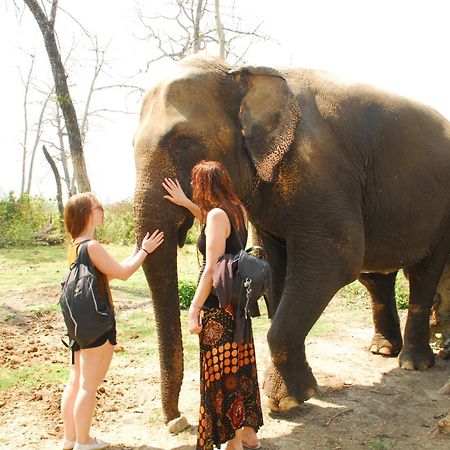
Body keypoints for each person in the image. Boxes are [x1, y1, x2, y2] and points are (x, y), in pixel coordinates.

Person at [163, 161, 263, 450]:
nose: (195, 189)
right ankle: (247, 433)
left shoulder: (218, 215)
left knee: (221, 374)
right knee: (240, 368)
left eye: (196, 184)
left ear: (204, 185)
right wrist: (185, 203)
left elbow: (211, 267)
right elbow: (213, 224)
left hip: (218, 309)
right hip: (237, 306)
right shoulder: (237, 210)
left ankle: (231, 443)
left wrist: (194, 308)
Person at [61, 192, 164, 450]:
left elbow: (111, 272)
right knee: (88, 385)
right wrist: (145, 251)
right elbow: (124, 273)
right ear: (87, 213)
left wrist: (136, 253)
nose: (102, 210)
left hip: (77, 326)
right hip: (97, 324)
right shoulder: (92, 246)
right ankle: (84, 441)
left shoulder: (75, 247)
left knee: (75, 381)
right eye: (98, 207)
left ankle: (70, 438)